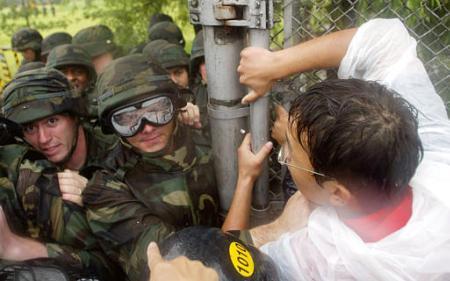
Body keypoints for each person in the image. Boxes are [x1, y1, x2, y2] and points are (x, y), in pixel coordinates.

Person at [149, 18, 450, 280]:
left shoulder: (317, 259)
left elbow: (224, 259)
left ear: (337, 195)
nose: (285, 153)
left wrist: (263, 203)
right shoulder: (438, 157)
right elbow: (385, 41)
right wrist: (273, 66)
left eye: (289, 152)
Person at [83, 54, 219, 281]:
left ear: (175, 106)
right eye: (127, 119)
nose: (146, 127)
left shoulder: (210, 135)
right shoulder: (106, 188)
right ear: (112, 126)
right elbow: (169, 263)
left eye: (157, 109)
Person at [0, 68, 122, 280]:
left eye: (52, 122)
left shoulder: (118, 154)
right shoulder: (29, 171)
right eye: (30, 128)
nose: (43, 138)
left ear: (75, 116)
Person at [46, 44, 98, 118]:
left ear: (89, 77)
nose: (70, 78)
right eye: (62, 73)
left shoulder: (100, 102)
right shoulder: (45, 107)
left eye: (78, 72)